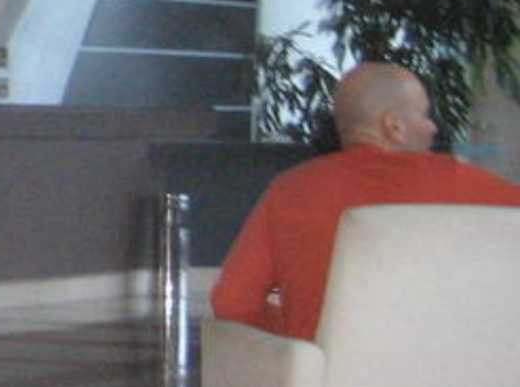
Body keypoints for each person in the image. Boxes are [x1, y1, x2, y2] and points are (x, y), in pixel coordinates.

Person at [211, 61, 520, 342]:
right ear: (394, 126)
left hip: (326, 379)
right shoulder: (458, 183)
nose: (433, 127)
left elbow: (231, 303)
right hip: (449, 375)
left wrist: (301, 328)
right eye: (425, 115)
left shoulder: (289, 190)